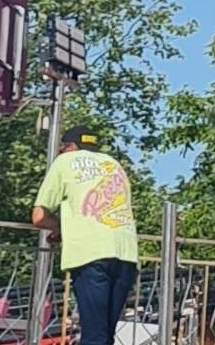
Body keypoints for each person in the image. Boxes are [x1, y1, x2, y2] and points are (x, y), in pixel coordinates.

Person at [32, 117, 140, 345]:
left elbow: (39, 216)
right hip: (126, 253)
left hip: (90, 252)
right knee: (106, 333)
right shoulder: (113, 165)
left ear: (68, 147)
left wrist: (59, 227)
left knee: (93, 333)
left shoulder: (65, 162)